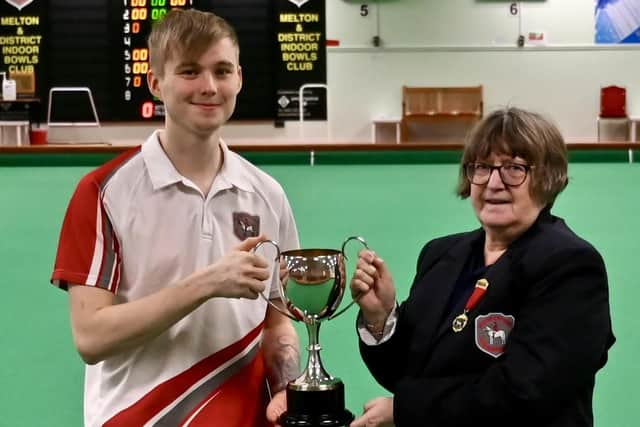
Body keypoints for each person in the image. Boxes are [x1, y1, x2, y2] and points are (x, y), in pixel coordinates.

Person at [50, 9, 299, 427]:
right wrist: (208, 283)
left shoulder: (267, 195)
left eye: (221, 71)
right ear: (156, 83)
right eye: (189, 71)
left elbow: (278, 325)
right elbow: (91, 337)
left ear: (239, 77)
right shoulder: (103, 193)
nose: (209, 86)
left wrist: (290, 385)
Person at [349, 107, 615, 427]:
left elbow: (525, 392)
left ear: (548, 177)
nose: (493, 183)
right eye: (482, 167)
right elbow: (407, 375)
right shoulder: (439, 254)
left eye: (514, 168)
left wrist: (405, 411)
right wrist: (381, 319)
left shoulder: (571, 266)